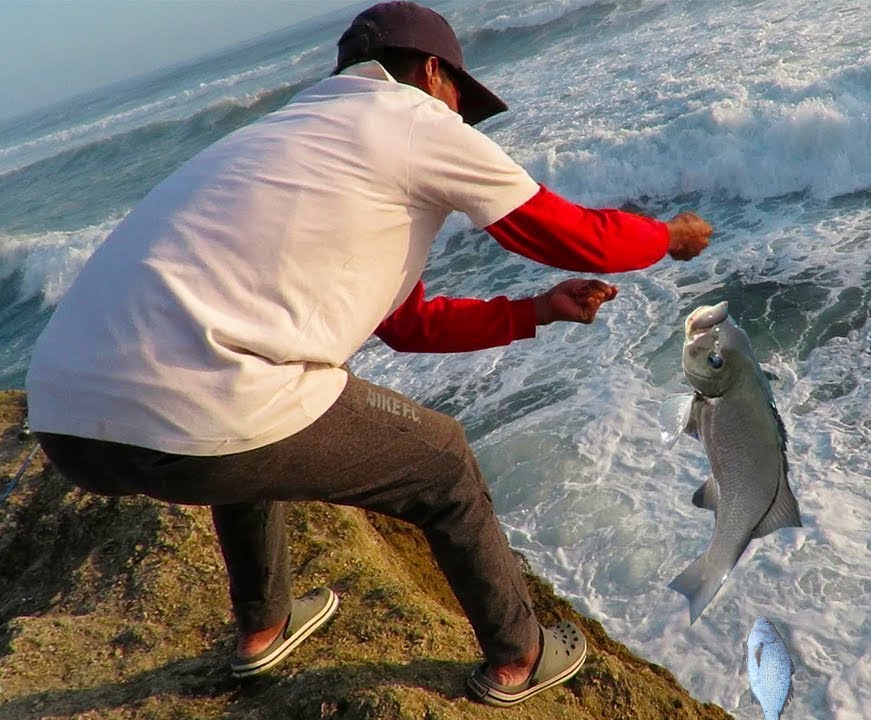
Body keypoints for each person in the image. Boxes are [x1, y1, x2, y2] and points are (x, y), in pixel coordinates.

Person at [24, 1, 712, 709]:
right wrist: (668, 237)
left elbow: (408, 325)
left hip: (64, 420)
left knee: (248, 406)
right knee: (438, 459)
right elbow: (578, 238)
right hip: (195, 408)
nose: (461, 119)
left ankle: (264, 627)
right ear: (432, 72)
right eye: (459, 100)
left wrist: (534, 311)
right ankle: (521, 656)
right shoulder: (412, 121)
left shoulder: (285, 137)